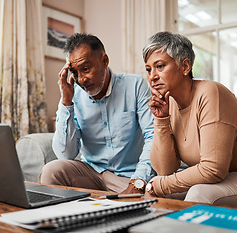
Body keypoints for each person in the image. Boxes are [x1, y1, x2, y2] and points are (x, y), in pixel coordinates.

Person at [143, 31, 237, 210]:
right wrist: (161, 119)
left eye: (160, 66)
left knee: (199, 194)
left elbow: (212, 169)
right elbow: (165, 170)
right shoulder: (169, 104)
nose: (152, 76)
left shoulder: (211, 93)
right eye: (148, 69)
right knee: (162, 193)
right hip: (231, 176)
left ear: (185, 66)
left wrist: (157, 185)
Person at [39, 33, 155, 194]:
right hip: (92, 173)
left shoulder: (135, 86)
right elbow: (66, 154)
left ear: (104, 61)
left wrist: (138, 181)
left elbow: (153, 136)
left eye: (86, 69)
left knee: (154, 195)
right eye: (74, 72)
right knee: (52, 170)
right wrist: (66, 102)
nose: (81, 79)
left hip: (129, 176)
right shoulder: (73, 96)